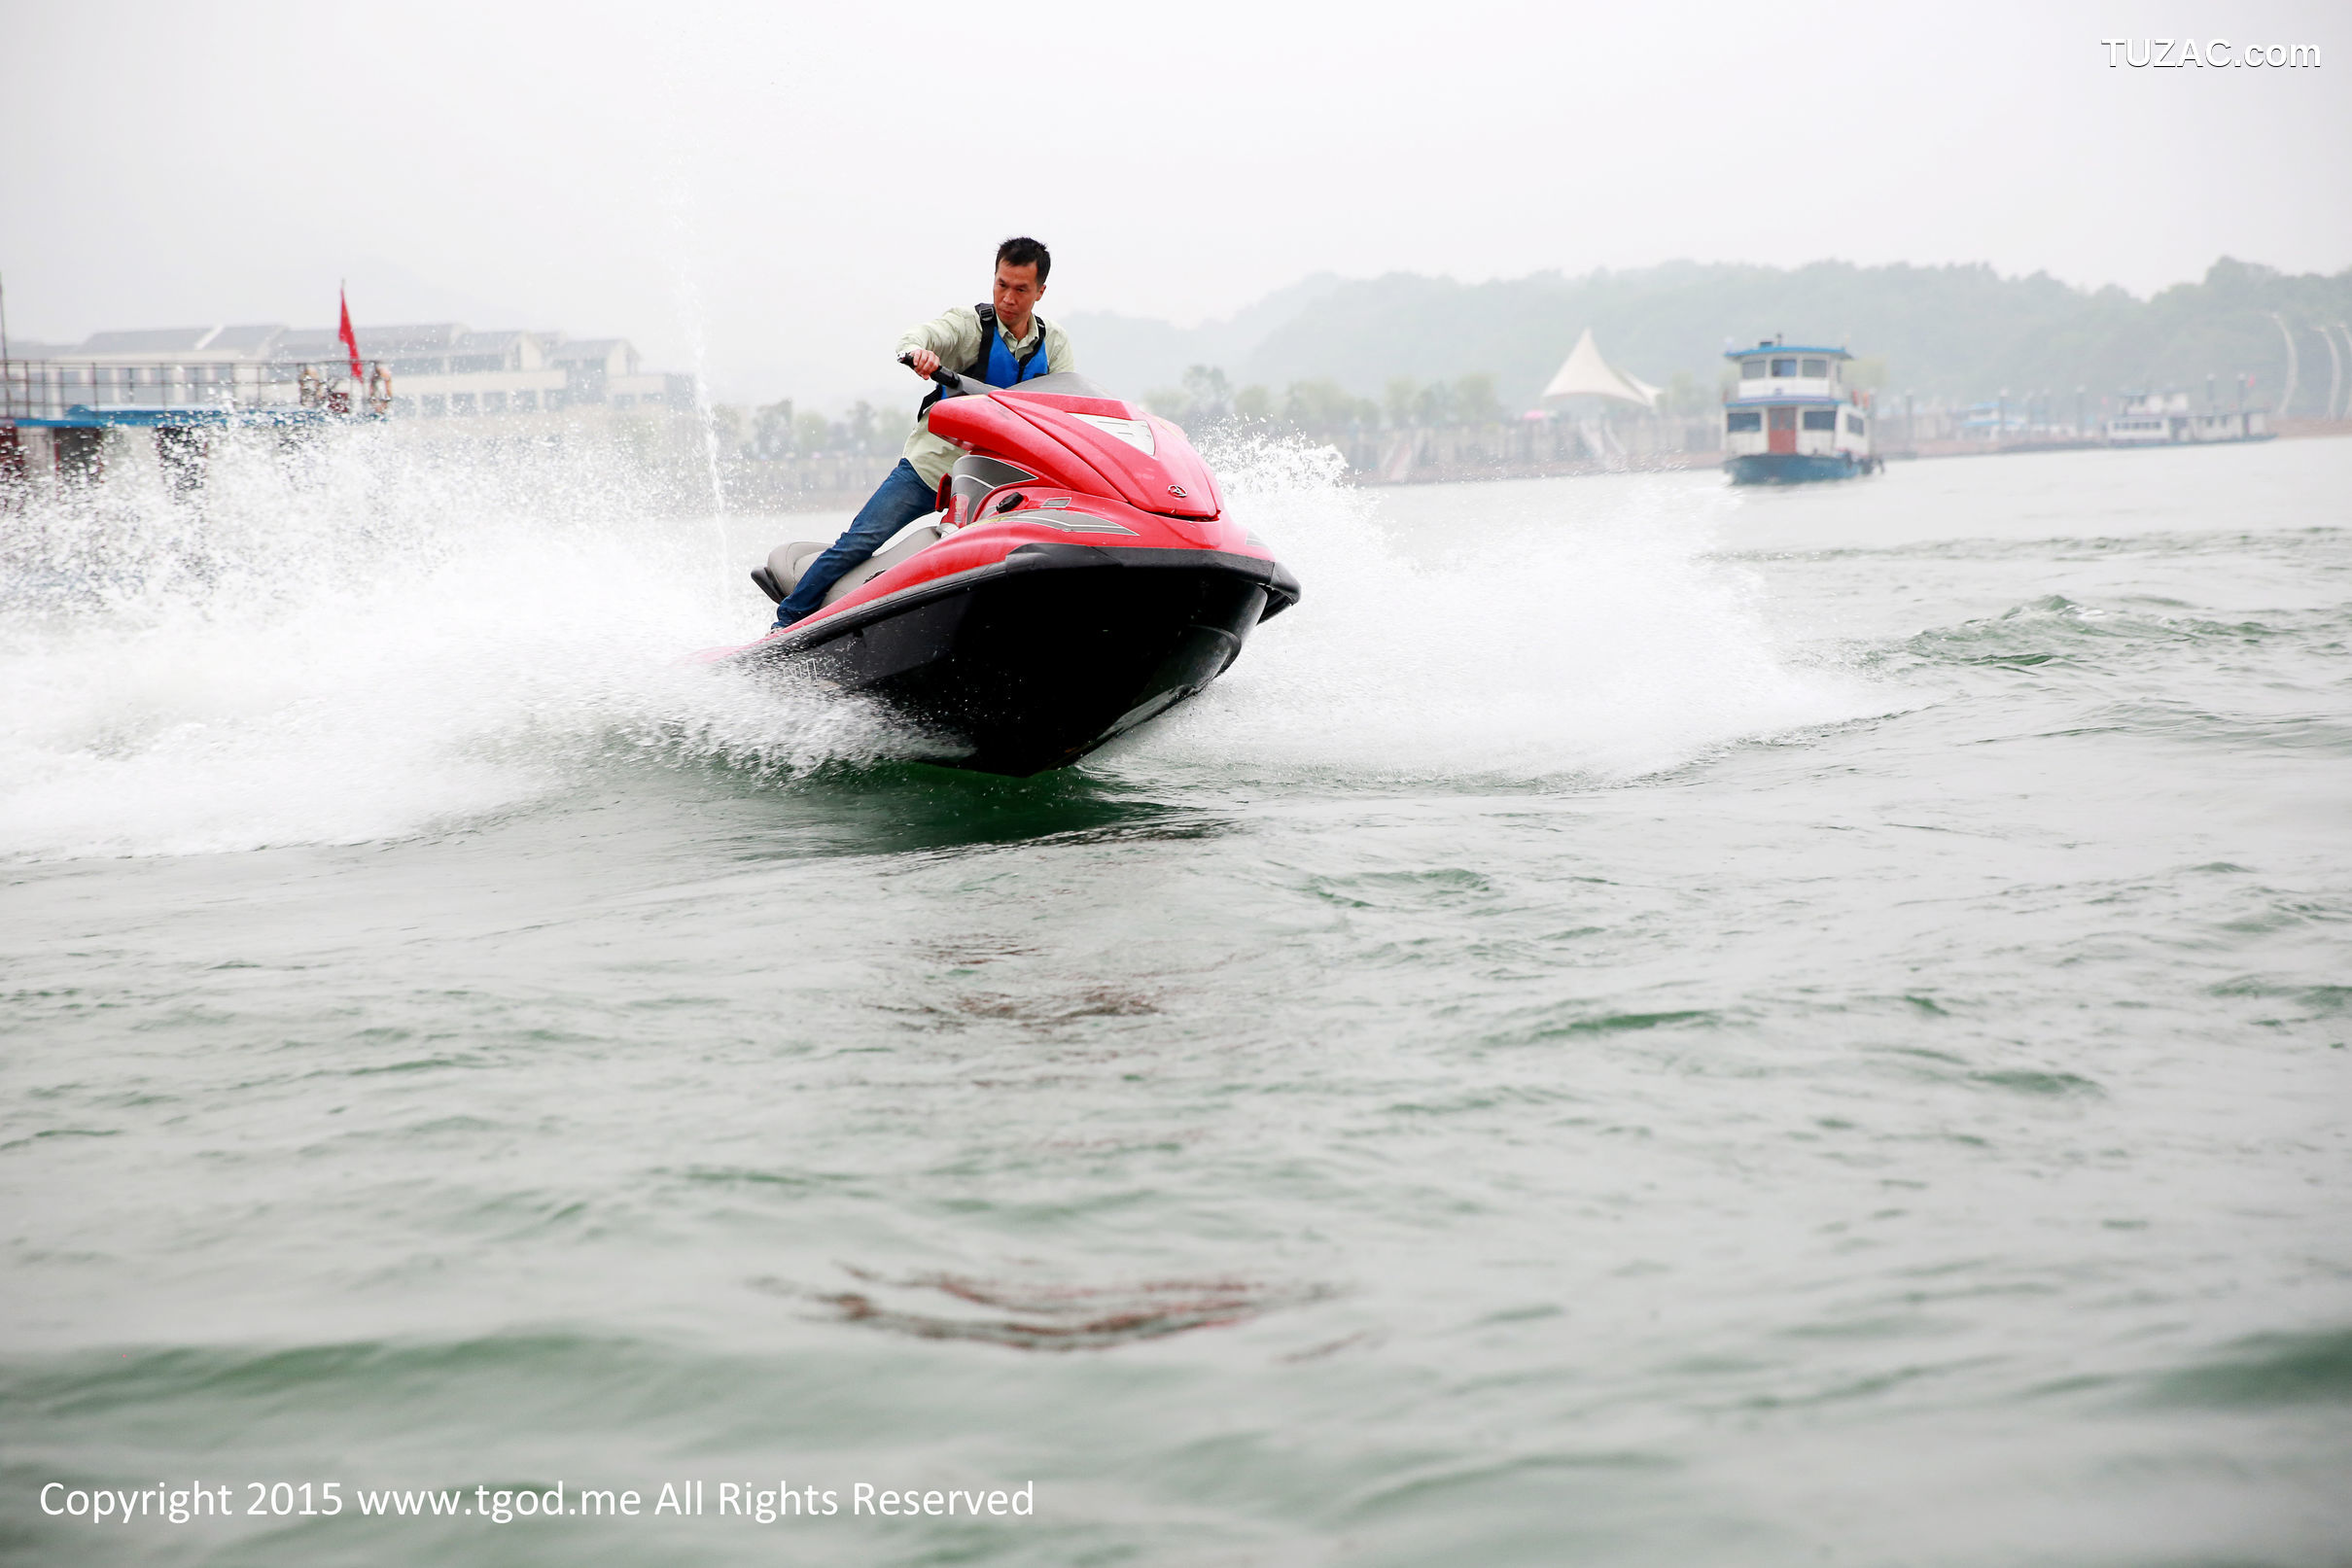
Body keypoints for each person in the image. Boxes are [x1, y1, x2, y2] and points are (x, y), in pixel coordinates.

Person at [767, 236, 1074, 630]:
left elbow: (1067, 403)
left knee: (1018, 559)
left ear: (1040, 292)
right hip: (932, 468)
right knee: (860, 542)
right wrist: (920, 353)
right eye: (1001, 284)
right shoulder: (969, 326)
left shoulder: (1055, 344)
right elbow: (916, 338)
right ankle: (787, 623)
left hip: (997, 485)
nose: (1008, 298)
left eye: (1020, 290)